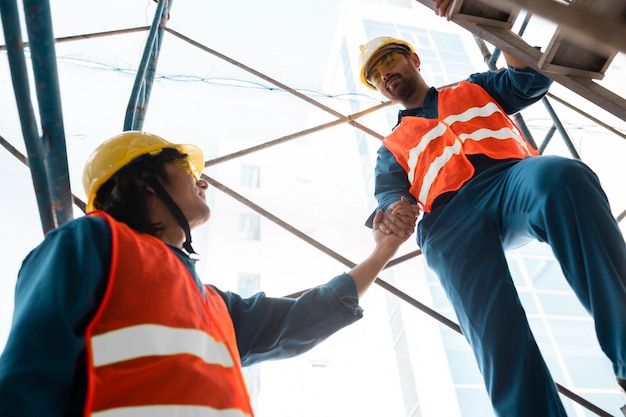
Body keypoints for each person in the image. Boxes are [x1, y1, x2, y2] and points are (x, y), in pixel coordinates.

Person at [0, 130, 415, 416]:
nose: (203, 182)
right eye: (184, 164)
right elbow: (28, 376)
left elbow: (310, 313)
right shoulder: (93, 240)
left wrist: (384, 250)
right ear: (146, 179)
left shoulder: (213, 305)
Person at [357, 10, 626, 417]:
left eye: (388, 60)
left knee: (563, 177)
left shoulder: (474, 88)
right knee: (493, 328)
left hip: (510, 180)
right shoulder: (390, 146)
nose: (383, 74)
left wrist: (486, 23)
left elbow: (528, 79)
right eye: (375, 74)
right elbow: (389, 196)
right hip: (449, 223)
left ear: (414, 60)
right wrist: (393, 211)